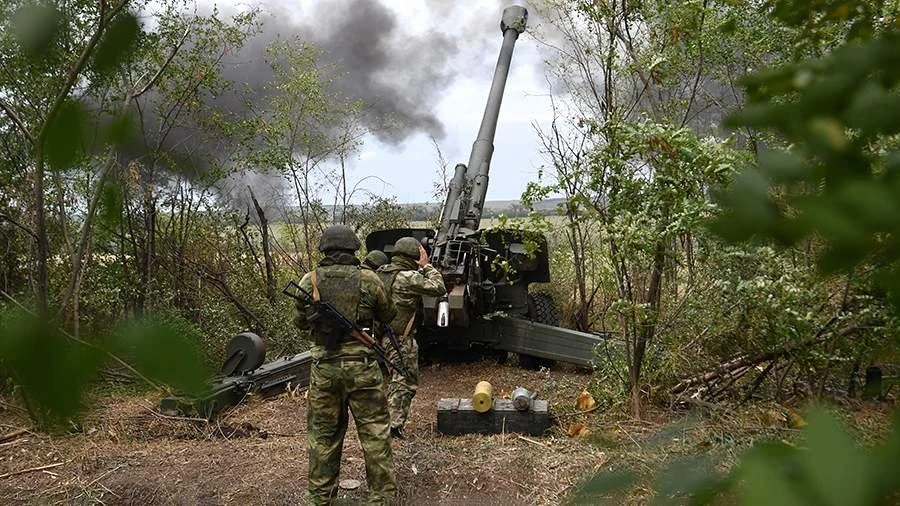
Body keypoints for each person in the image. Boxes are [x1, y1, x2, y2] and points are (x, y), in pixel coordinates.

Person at [294, 225, 398, 505]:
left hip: (325, 369)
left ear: (324, 249)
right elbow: (388, 313)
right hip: (363, 366)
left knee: (323, 436)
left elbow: (300, 322)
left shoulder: (309, 280)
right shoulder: (370, 279)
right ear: (354, 249)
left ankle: (320, 498)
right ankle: (382, 497)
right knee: (375, 433)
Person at [376, 237, 446, 438]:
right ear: (413, 258)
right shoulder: (407, 277)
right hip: (400, 338)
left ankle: (390, 424)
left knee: (397, 379)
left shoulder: (381, 274)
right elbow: (438, 287)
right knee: (405, 381)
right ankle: (393, 428)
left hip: (382, 336)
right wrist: (427, 266)